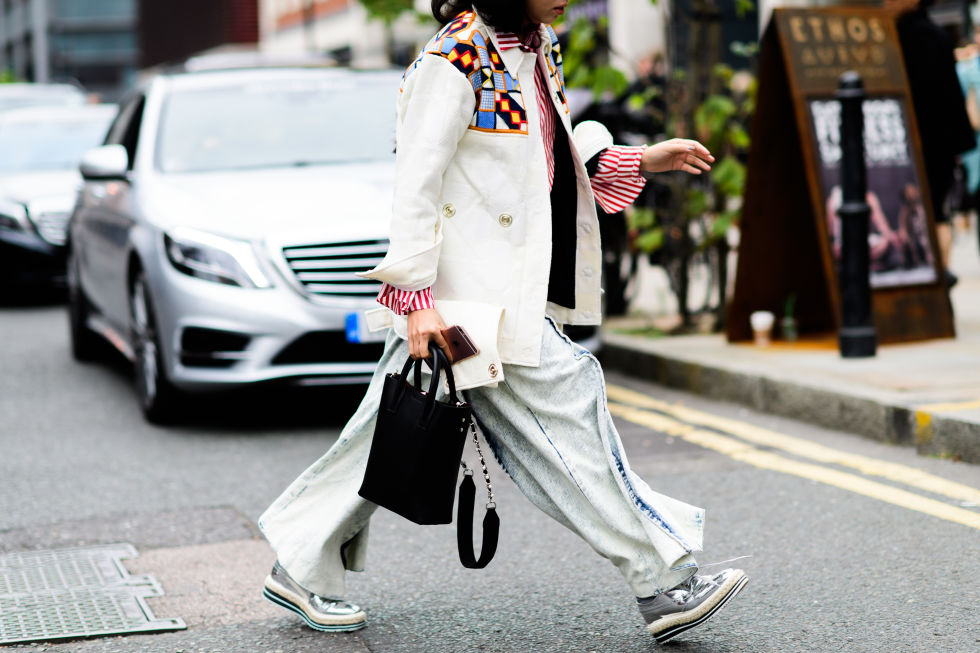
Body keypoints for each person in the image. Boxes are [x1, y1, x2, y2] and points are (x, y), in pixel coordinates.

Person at [257, 0, 748, 644]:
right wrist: (414, 300)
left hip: (493, 294)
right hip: (467, 305)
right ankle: (661, 581)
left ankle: (298, 563)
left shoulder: (537, 44)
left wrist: (636, 159)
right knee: (570, 411)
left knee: (392, 432)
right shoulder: (452, 58)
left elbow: (541, 151)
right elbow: (417, 182)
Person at [886, 0, 975, 286]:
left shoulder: (915, 36)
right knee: (935, 214)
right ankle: (937, 281)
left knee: (931, 214)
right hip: (938, 145)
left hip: (923, 146)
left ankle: (935, 281)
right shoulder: (931, 34)